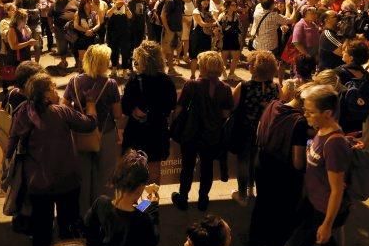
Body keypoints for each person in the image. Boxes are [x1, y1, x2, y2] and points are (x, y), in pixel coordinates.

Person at [7, 72, 98, 246]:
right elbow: (89, 124)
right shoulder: (60, 112)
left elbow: (11, 143)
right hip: (66, 179)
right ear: (45, 94)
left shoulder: (23, 112)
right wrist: (90, 106)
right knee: (68, 223)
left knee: (41, 225)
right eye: (53, 88)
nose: (56, 92)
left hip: (37, 181)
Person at [283, 85, 351, 246]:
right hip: (312, 201)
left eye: (310, 111)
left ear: (328, 113)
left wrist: (327, 223)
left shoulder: (335, 144)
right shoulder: (320, 131)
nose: (305, 115)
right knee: (325, 238)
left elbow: (337, 189)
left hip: (323, 209)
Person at [248, 82, 309, 246]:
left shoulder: (273, 105)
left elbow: (260, 131)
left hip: (263, 164)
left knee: (262, 205)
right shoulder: (299, 122)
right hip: (283, 175)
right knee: (280, 219)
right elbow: (298, 163)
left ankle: (254, 245)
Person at [63, 44, 123, 214]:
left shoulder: (74, 81)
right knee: (105, 178)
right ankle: (102, 215)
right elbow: (117, 114)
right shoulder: (110, 84)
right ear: (102, 62)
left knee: (83, 178)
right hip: (105, 134)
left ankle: (84, 215)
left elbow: (64, 107)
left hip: (81, 135)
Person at [171, 51, 234, 211]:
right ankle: (203, 199)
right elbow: (226, 114)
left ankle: (183, 198)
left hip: (191, 133)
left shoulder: (191, 85)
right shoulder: (225, 89)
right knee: (207, 168)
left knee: (187, 167)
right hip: (212, 134)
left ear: (203, 66)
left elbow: (179, 108)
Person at [120, 41, 177, 184]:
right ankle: (149, 205)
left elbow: (125, 108)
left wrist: (135, 111)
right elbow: (170, 106)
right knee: (153, 175)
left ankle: (137, 204)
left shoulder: (134, 80)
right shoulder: (166, 81)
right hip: (157, 132)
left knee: (134, 175)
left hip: (136, 132)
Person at [229, 50, 280, 206]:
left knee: (244, 161)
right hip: (266, 131)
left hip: (245, 129)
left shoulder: (244, 86)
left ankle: (243, 195)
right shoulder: (276, 87)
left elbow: (233, 106)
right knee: (258, 160)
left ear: (255, 67)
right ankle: (253, 189)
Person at [334, 39, 369, 135]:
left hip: (341, 116)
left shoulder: (339, 72)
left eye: (345, 51)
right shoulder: (366, 74)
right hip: (358, 115)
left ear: (351, 57)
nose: (343, 52)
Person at [104, 0, 133, 77]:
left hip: (124, 32)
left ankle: (124, 70)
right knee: (114, 51)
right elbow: (108, 15)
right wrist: (114, 6)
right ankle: (114, 69)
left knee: (125, 51)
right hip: (113, 32)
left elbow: (130, 16)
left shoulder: (126, 6)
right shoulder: (111, 5)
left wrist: (126, 7)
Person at [188, 0, 216, 80]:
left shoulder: (209, 12)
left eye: (207, 0)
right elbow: (202, 24)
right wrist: (213, 24)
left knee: (205, 57)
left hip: (206, 36)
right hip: (196, 36)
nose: (206, 2)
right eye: (204, 0)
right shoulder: (196, 11)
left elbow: (215, 20)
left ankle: (202, 75)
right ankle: (192, 75)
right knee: (194, 57)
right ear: (200, 1)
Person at [160, 0, 185, 75]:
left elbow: (180, 15)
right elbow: (163, 15)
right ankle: (162, 70)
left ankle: (170, 69)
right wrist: (168, 29)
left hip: (177, 30)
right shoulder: (170, 1)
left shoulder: (181, 0)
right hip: (170, 30)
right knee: (166, 50)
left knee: (172, 50)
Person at [217, 0, 242, 80]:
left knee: (236, 57)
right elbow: (219, 28)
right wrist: (219, 39)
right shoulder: (222, 16)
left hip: (234, 37)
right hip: (225, 38)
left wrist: (239, 37)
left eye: (235, 5)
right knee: (224, 57)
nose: (235, 6)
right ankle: (223, 74)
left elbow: (239, 27)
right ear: (227, 6)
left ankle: (231, 74)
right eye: (233, 5)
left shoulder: (236, 15)